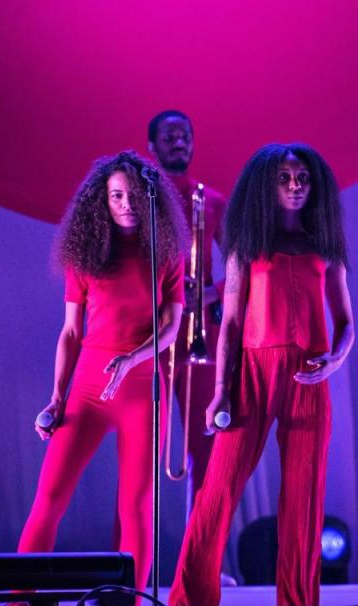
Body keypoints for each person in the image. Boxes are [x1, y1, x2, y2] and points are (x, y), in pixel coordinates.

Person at [169, 143, 354, 606]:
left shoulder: (324, 245)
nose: (294, 187)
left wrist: (334, 360)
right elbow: (229, 322)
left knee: (304, 500)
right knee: (218, 488)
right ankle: (190, 602)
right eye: (285, 179)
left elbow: (347, 322)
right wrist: (219, 394)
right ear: (267, 184)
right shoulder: (246, 243)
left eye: (302, 179)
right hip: (251, 372)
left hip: (309, 376)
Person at [18, 151, 185, 602]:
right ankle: (16, 600)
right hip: (90, 387)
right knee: (50, 497)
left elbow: (171, 328)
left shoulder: (166, 254)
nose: (126, 203)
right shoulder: (86, 255)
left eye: (133, 195)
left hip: (142, 387)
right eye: (116, 196)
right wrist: (56, 398)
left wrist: (132, 360)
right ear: (102, 202)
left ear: (149, 199)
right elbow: (71, 332)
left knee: (136, 505)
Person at [147, 110, 228, 504]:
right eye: (169, 136)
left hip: (200, 331)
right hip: (150, 327)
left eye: (185, 135)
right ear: (152, 146)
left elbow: (244, 264)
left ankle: (204, 563)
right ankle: (130, 562)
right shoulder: (138, 198)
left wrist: (215, 293)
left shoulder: (212, 200)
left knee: (206, 445)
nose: (179, 142)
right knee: (142, 450)